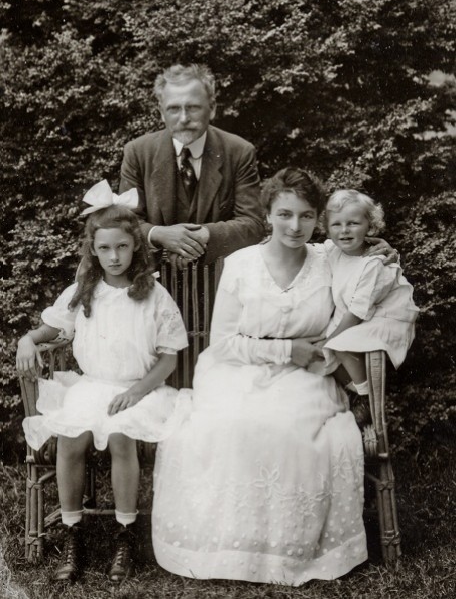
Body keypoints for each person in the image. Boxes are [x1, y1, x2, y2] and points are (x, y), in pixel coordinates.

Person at [151, 168, 369, 585]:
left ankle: (289, 547)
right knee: (227, 424)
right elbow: (224, 340)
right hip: (239, 367)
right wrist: (287, 348)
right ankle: (229, 544)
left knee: (288, 428)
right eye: (284, 214)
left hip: (307, 373)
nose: (295, 226)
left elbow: (369, 261)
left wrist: (381, 251)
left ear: (318, 218)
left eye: (306, 216)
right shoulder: (241, 263)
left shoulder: (329, 260)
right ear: (267, 215)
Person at [16, 181, 189, 584]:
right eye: (105, 248)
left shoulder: (153, 294)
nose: (114, 256)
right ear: (92, 250)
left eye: (123, 247)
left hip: (140, 387)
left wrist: (136, 391)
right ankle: (73, 532)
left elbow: (168, 359)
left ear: (136, 248)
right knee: (72, 434)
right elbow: (49, 330)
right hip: (92, 384)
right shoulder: (83, 291)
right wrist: (27, 339)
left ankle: (124, 534)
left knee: (120, 433)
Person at [119, 63, 264, 267]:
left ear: (212, 108)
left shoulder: (239, 152)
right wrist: (159, 234)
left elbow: (253, 225)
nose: (184, 118)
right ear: (161, 112)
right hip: (154, 283)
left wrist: (203, 235)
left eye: (193, 107)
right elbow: (125, 223)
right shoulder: (138, 152)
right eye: (174, 109)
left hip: (221, 282)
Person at [321, 189, 419, 411]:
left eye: (353, 223)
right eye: (336, 224)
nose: (344, 230)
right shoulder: (332, 251)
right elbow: (306, 251)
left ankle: (365, 397)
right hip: (353, 314)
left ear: (370, 226)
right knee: (322, 350)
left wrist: (329, 340)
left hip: (381, 317)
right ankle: (353, 389)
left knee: (337, 346)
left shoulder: (373, 262)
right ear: (327, 228)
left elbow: (358, 311)